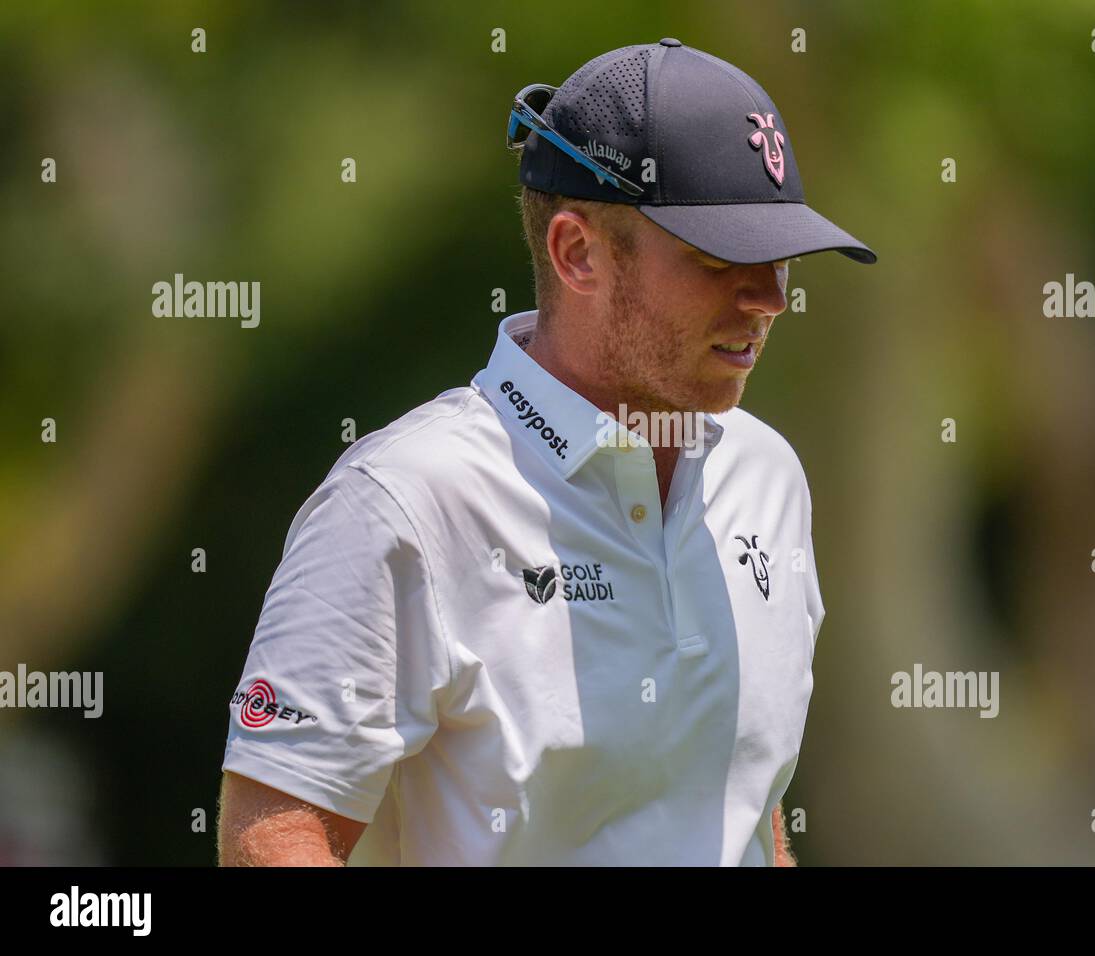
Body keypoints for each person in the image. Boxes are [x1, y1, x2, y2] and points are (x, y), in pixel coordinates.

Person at [218, 38, 875, 866]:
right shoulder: (404, 500)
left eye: (780, 259)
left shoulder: (770, 476)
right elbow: (277, 835)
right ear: (577, 252)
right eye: (721, 259)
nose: (770, 299)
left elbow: (745, 808)